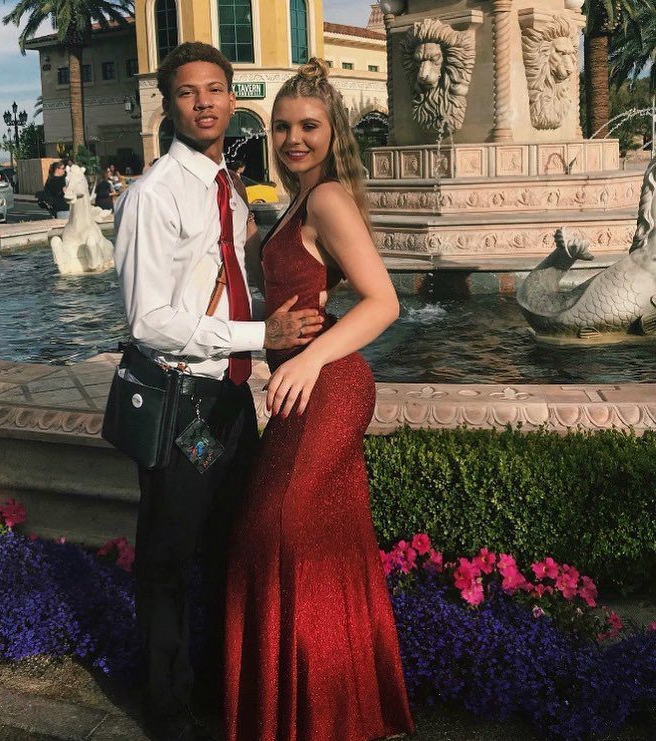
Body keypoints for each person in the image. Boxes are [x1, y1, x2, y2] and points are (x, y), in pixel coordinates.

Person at [112, 42, 324, 741]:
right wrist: (260, 333)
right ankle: (168, 708)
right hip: (182, 401)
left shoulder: (228, 189)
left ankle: (216, 685)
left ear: (232, 98)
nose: (203, 102)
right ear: (168, 104)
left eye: (214, 89)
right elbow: (148, 320)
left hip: (229, 400)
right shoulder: (152, 196)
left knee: (232, 545)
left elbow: (227, 284)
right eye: (187, 92)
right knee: (170, 557)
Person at [224, 58, 415, 741]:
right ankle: (335, 716)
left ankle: (310, 716)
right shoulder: (299, 202)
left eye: (308, 126)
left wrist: (306, 358)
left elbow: (383, 301)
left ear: (333, 133)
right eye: (281, 127)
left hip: (326, 384)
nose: (292, 138)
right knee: (320, 544)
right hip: (307, 384)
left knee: (275, 532)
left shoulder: (327, 197)